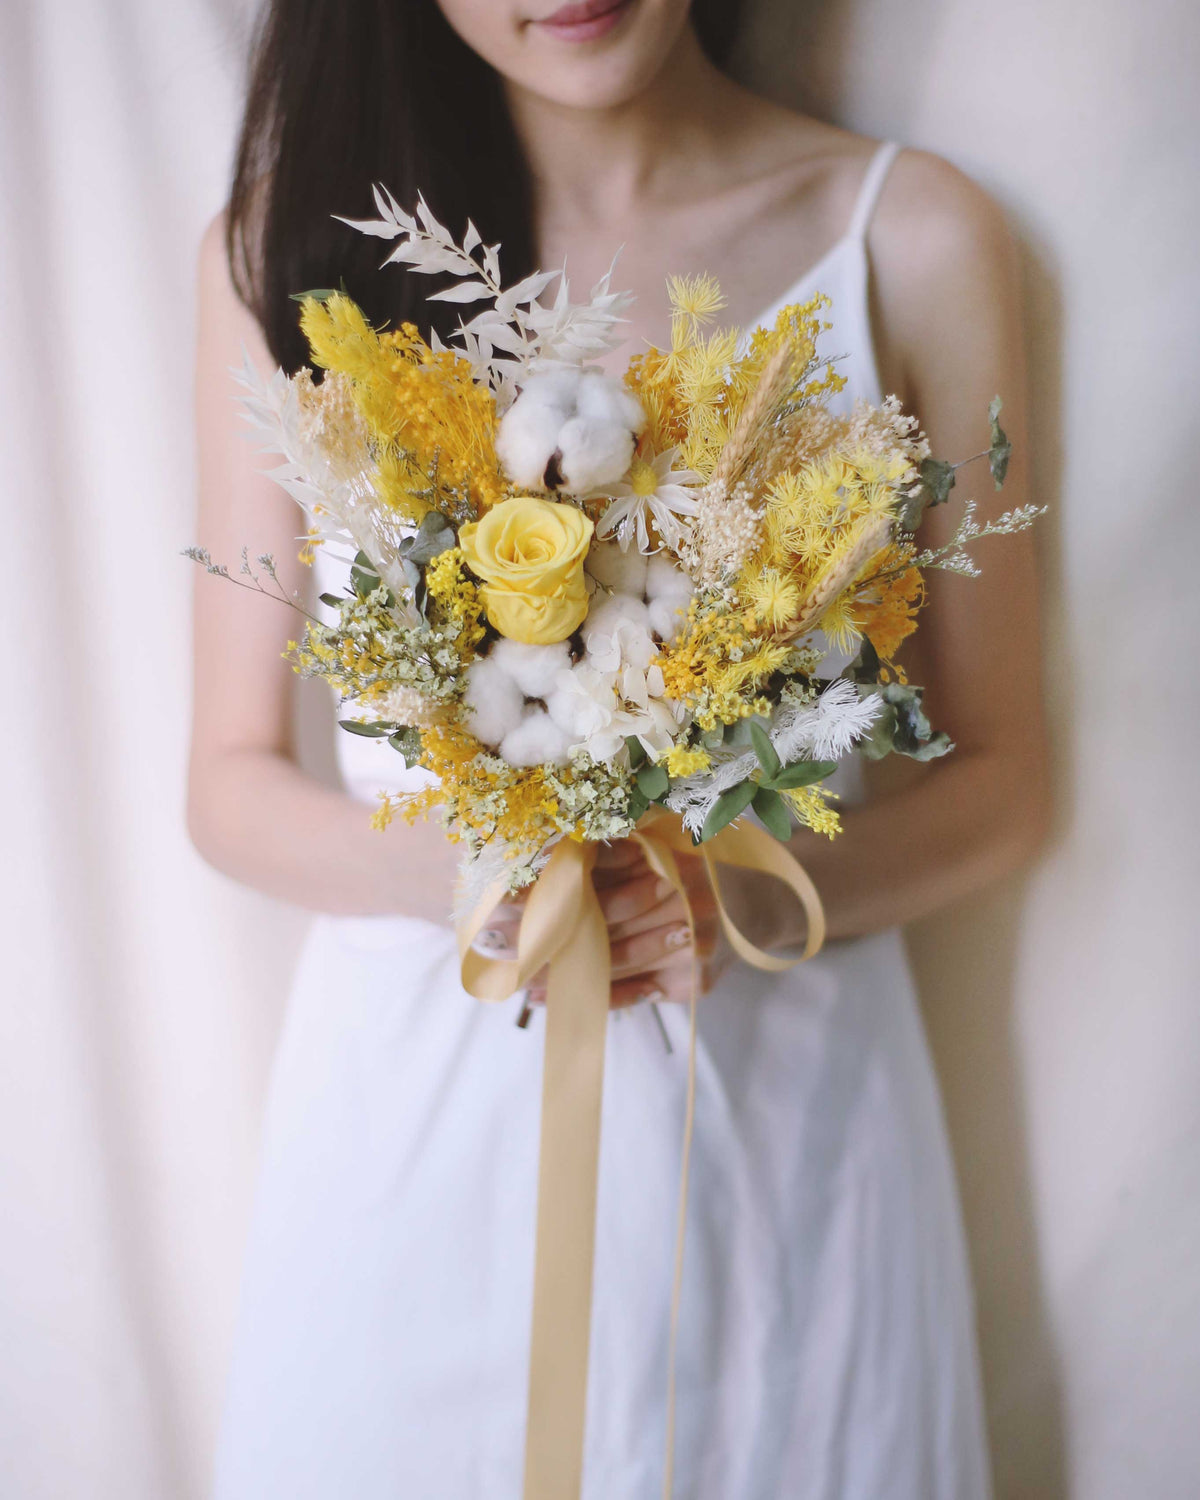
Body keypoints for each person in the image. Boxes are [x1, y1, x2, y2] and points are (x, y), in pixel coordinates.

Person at [190, 1, 1048, 1495]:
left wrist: (739, 890)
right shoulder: (286, 252)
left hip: (787, 1162)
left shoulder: (904, 232)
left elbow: (1007, 782)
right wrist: (467, 868)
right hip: (415, 1160)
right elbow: (227, 783)